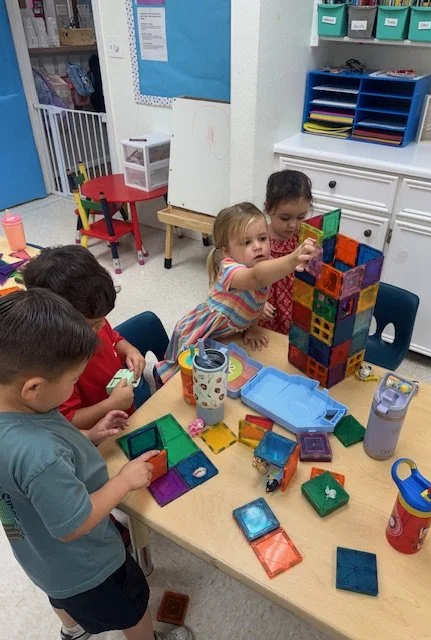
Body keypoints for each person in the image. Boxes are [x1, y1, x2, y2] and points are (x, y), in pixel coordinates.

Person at [0, 289, 192, 640]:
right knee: (131, 607)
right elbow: (73, 525)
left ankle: (73, 630)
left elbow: (31, 465)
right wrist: (123, 480)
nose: (76, 386)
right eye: (73, 381)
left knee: (58, 595)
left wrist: (87, 435)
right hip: (89, 566)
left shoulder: (17, 410)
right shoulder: (39, 456)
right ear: (33, 388)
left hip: (37, 556)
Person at [151, 202, 316, 385]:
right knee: (180, 375)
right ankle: (157, 377)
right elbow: (257, 278)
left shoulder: (266, 263)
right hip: (201, 331)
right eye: (247, 242)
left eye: (262, 238)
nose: (258, 246)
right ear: (226, 251)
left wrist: (252, 329)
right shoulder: (230, 269)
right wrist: (293, 258)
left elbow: (259, 301)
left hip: (227, 334)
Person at [23, 245, 146, 430]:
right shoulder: (56, 367)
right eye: (94, 325)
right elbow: (70, 421)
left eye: (102, 319)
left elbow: (114, 338)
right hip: (101, 435)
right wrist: (112, 404)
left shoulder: (91, 317)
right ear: (59, 323)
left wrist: (129, 350)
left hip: (125, 416)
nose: (102, 325)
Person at [258, 170, 313, 335]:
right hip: (263, 312)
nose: (293, 225)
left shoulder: (305, 238)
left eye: (301, 217)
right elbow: (241, 274)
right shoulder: (258, 239)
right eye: (285, 218)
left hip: (296, 310)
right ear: (268, 209)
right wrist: (255, 302)